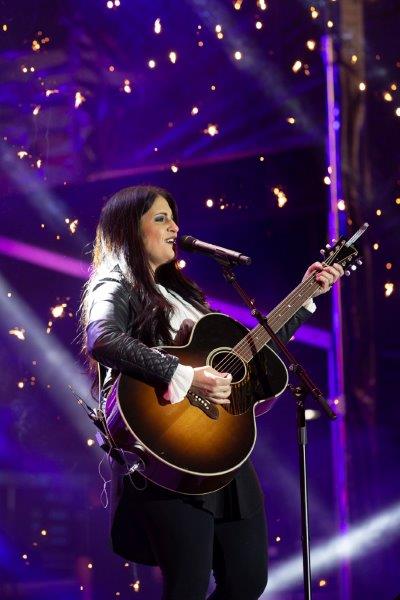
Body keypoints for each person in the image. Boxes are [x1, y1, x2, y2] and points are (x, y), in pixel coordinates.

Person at [80, 185, 343, 600]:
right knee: (188, 585)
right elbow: (104, 339)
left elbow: (250, 356)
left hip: (220, 450)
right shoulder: (114, 282)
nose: (175, 227)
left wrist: (307, 295)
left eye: (174, 217)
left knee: (247, 582)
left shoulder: (183, 295)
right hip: (167, 453)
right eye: (161, 218)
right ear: (129, 229)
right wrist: (183, 375)